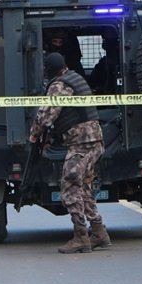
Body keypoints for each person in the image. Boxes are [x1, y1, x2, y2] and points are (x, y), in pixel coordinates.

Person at [29, 52, 110, 254]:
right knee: (83, 186)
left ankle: (81, 236)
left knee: (70, 185)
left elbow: (47, 113)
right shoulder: (75, 77)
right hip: (94, 140)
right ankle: (99, 232)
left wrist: (34, 134)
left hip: (82, 143)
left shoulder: (59, 85)